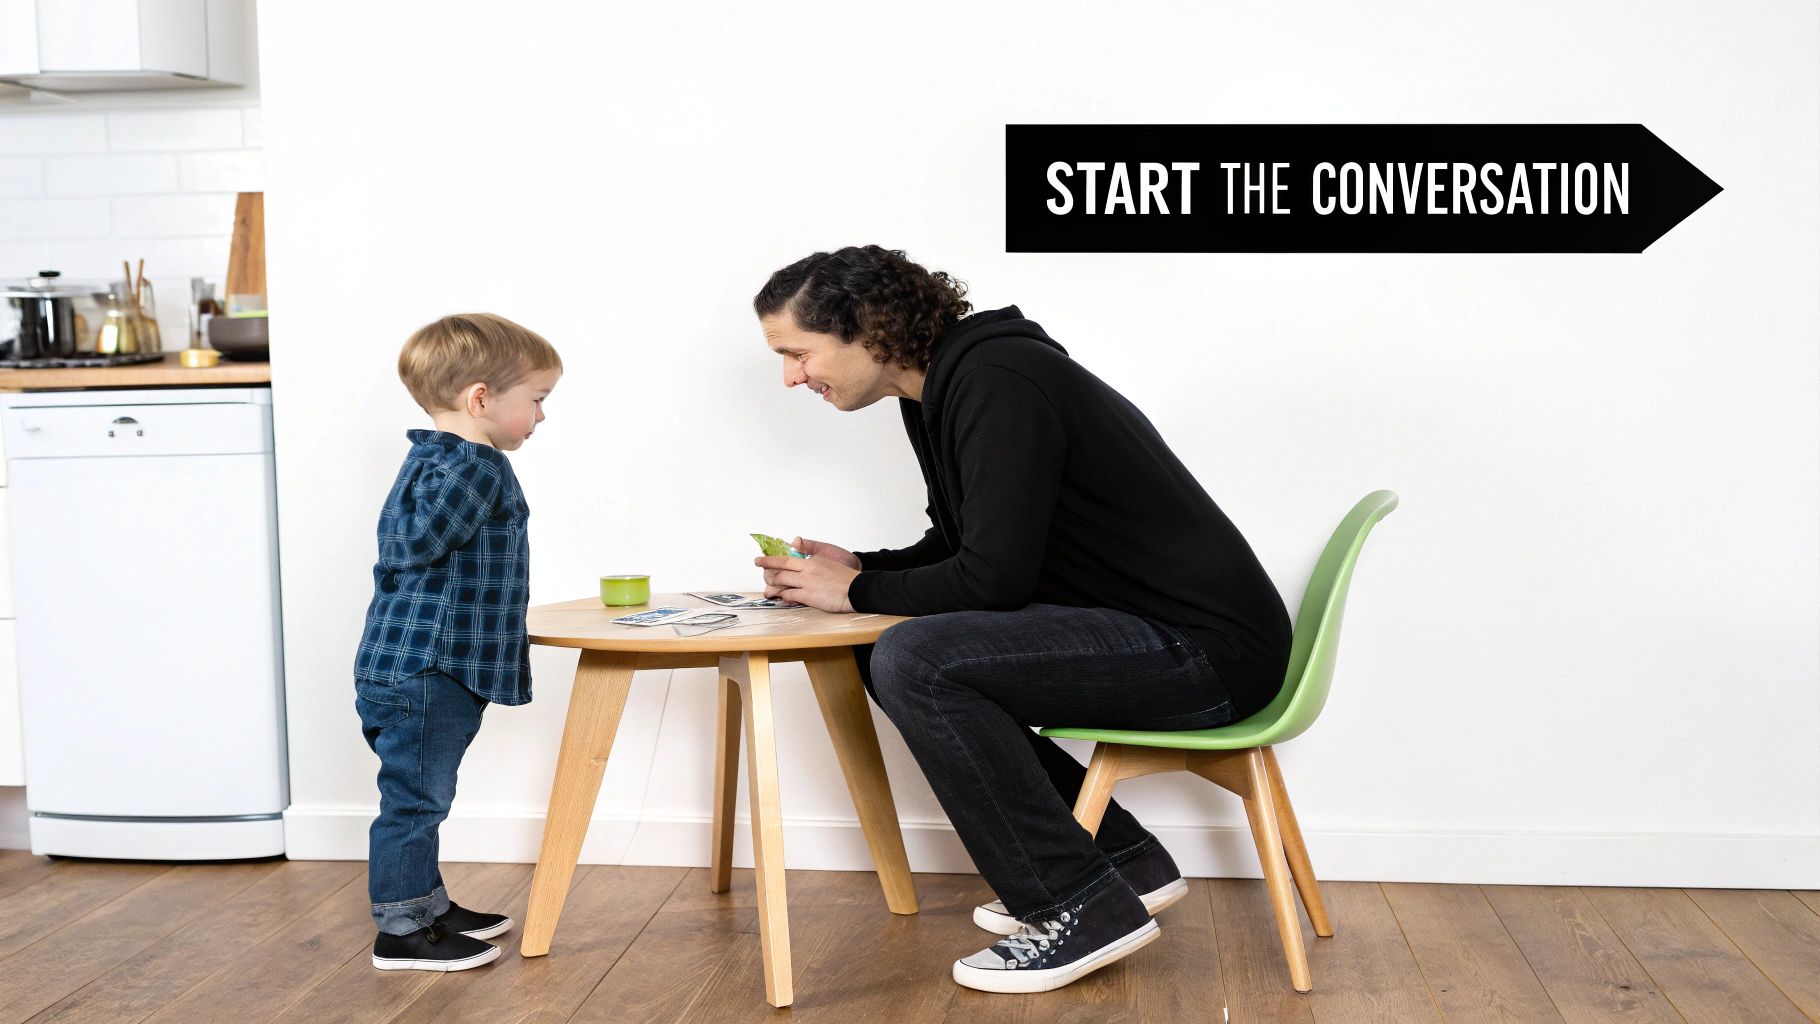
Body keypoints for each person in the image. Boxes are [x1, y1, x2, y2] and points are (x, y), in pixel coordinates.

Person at [752, 246, 1292, 994]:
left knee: (916, 659)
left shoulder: (997, 379)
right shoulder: (941, 389)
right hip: (1151, 633)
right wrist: (856, 568)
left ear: (867, 330)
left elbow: (994, 580)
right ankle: (1119, 861)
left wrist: (860, 587)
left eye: (797, 353)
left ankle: (1079, 905)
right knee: (879, 644)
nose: (789, 377)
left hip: (1206, 656)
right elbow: (967, 546)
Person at [353, 313, 562, 971]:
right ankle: (402, 931)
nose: (541, 416)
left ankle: (429, 906)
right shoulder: (472, 467)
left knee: (423, 794)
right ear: (481, 399)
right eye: (537, 400)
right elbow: (408, 544)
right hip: (427, 668)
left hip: (418, 664)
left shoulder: (437, 456)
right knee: (415, 800)